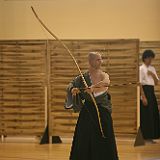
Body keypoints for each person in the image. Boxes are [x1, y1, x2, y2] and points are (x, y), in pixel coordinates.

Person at [64, 52, 119, 160]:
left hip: (102, 110)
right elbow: (71, 84)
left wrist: (93, 88)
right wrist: (73, 89)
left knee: (104, 135)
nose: (101, 61)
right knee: (84, 136)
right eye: (98, 59)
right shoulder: (83, 77)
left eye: (101, 59)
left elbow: (106, 82)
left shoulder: (104, 75)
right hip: (88, 110)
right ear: (91, 61)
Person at [140, 50, 160, 143]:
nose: (150, 60)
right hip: (145, 91)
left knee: (153, 113)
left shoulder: (152, 69)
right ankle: (146, 137)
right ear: (145, 58)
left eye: (151, 58)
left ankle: (153, 136)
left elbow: (156, 82)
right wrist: (143, 97)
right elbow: (139, 84)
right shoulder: (141, 69)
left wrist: (152, 74)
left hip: (151, 92)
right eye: (149, 58)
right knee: (146, 114)